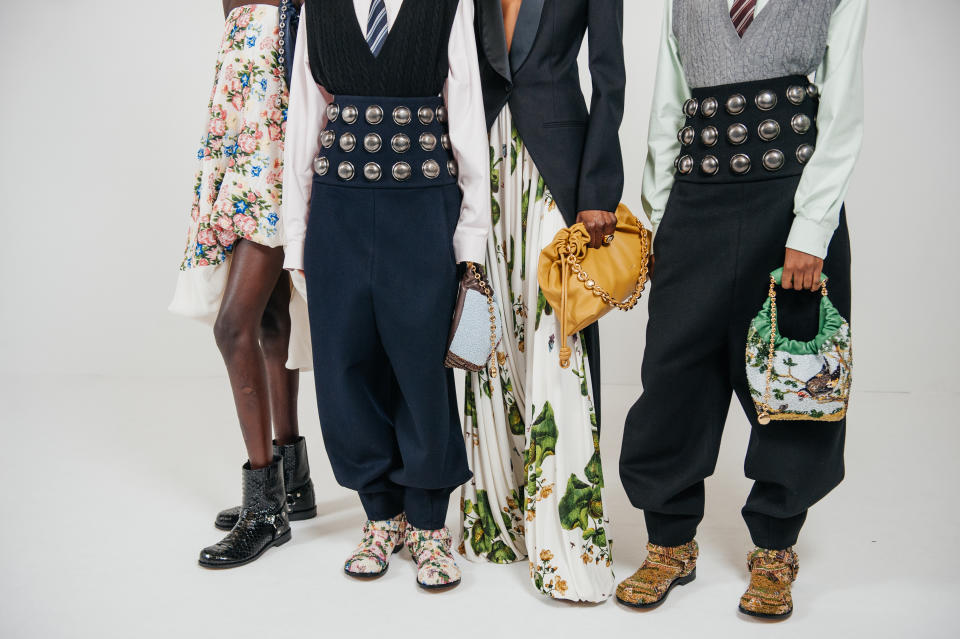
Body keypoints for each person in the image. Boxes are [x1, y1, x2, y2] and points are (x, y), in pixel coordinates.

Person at [616, 0, 866, 618]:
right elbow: (669, 102)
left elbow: (841, 110)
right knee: (674, 376)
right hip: (695, 202)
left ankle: (776, 547)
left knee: (793, 378)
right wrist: (660, 214)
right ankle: (670, 541)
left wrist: (811, 228)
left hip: (788, 204)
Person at [282, 0, 490, 590]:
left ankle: (427, 523)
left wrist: (470, 235)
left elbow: (466, 114)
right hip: (337, 210)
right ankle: (381, 515)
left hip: (422, 206)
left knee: (421, 367)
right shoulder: (317, 8)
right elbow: (303, 119)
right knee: (345, 366)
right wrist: (296, 237)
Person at [460, 0, 625, 602]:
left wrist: (600, 185)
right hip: (483, 164)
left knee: (559, 339)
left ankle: (568, 536)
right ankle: (499, 516)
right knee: (491, 333)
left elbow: (610, 75)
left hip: (557, 168)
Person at [170, 0, 317, 569]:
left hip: (276, 165)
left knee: (235, 328)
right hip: (243, 156)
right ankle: (292, 481)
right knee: (271, 319)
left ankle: (265, 511)